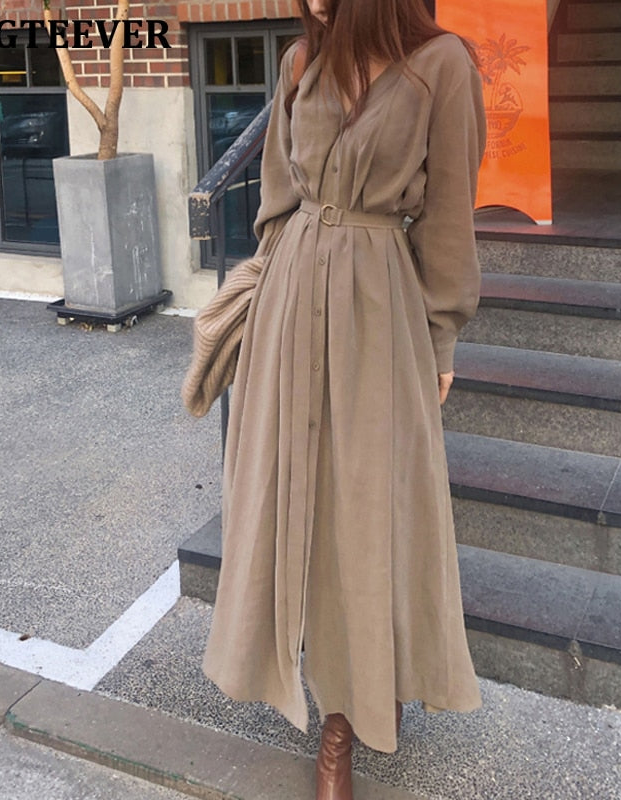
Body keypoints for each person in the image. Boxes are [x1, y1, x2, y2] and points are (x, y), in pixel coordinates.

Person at [201, 0, 486, 796]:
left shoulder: (442, 66)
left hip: (378, 304)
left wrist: (441, 334)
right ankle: (314, 682)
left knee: (366, 508)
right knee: (286, 495)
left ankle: (347, 719)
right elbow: (274, 199)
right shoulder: (301, 63)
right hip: (292, 298)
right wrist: (260, 298)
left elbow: (449, 217)